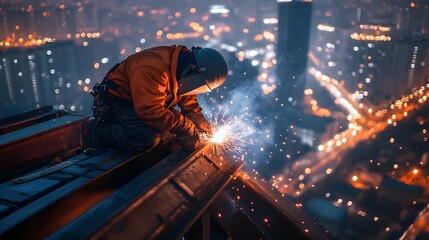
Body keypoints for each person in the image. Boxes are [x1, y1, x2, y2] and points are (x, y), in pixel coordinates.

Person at [81, 45, 228, 153]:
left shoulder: (183, 67)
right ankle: (93, 132)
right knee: (147, 137)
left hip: (142, 101)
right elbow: (150, 111)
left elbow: (188, 102)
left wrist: (200, 124)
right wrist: (185, 126)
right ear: (194, 69)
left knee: (170, 133)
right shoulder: (153, 68)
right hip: (117, 102)